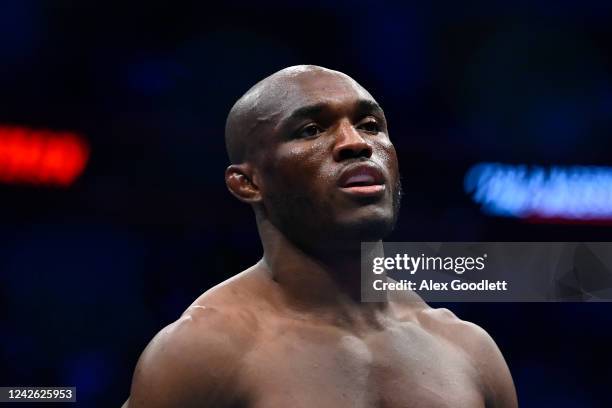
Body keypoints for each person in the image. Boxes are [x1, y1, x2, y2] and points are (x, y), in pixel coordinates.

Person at [124, 65, 518, 407]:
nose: (357, 143)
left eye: (371, 125)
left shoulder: (469, 349)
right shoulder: (201, 353)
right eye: (311, 130)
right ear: (247, 183)